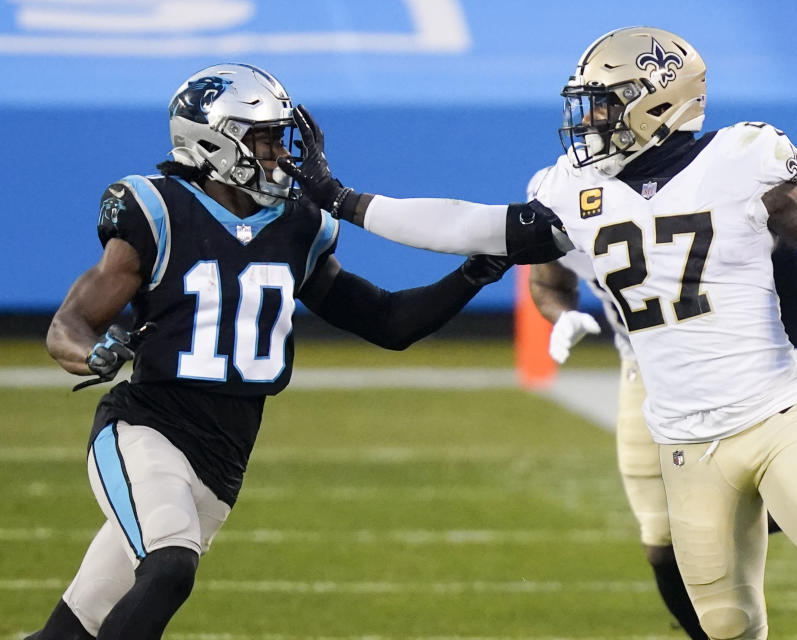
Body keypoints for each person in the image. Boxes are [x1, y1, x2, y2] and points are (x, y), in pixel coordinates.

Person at [285, 26, 797, 640]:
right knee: (726, 626)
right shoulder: (573, 190)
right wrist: (342, 198)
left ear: (658, 100)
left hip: (776, 414)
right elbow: (466, 225)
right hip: (681, 439)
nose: (589, 121)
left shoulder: (742, 157)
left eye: (604, 105)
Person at [28, 63, 514, 640]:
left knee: (73, 631)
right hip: (145, 430)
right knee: (169, 569)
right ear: (211, 139)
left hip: (222, 459)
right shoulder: (158, 211)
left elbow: (388, 322)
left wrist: (471, 275)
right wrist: (96, 354)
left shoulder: (295, 227)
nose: (279, 156)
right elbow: (70, 323)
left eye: (279, 139)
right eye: (262, 139)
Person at [529, 232, 797, 639]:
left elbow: (787, 240)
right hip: (645, 371)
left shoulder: (695, 174)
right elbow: (546, 282)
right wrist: (561, 315)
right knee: (663, 543)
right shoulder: (562, 196)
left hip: (733, 360)